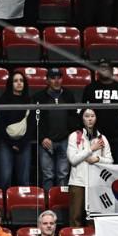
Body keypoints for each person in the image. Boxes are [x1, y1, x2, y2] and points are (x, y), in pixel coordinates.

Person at [67, 107, 113, 226]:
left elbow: (110, 161)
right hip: (78, 183)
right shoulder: (74, 136)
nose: (90, 119)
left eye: (92, 116)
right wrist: (91, 149)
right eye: (87, 116)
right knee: (75, 218)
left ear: (96, 118)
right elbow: (73, 160)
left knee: (93, 220)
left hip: (96, 184)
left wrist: (98, 159)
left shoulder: (102, 138)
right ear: (82, 118)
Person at [34, 68, 77, 196]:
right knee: (48, 175)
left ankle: (61, 200)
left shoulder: (68, 95)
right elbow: (34, 120)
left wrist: (71, 135)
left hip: (64, 140)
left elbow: (73, 116)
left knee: (63, 174)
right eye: (53, 78)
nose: (56, 81)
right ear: (47, 80)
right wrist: (42, 138)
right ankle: (48, 202)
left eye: (59, 78)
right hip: (46, 141)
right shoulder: (39, 96)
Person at [0, 71, 34, 189]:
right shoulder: (3, 100)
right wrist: (11, 143)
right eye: (16, 81)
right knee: (5, 178)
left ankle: (24, 201)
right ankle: (4, 201)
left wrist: (21, 143)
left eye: (21, 80)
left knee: (24, 180)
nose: (19, 83)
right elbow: (0, 124)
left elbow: (32, 124)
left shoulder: (29, 100)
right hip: (6, 142)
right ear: (11, 83)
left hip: (24, 143)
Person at [82, 60, 118, 143]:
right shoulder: (90, 88)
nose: (104, 69)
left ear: (112, 70)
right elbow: (84, 111)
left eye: (106, 67)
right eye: (101, 67)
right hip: (96, 135)